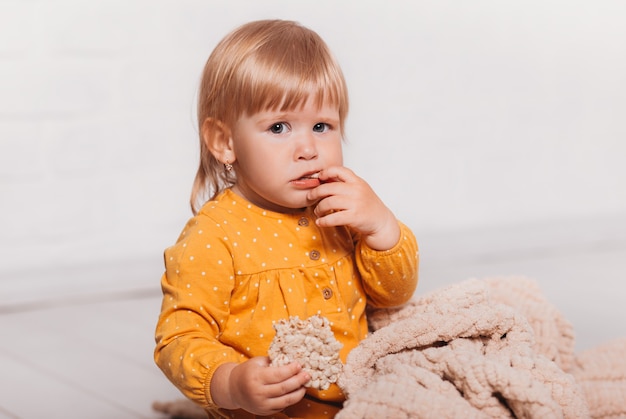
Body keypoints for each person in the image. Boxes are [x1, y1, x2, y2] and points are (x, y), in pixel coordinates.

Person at [154, 19, 419, 419]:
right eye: (279, 127)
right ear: (225, 142)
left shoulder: (341, 207)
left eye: (321, 126)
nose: (308, 148)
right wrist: (231, 383)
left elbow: (395, 297)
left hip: (360, 400)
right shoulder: (215, 234)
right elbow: (179, 336)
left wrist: (381, 227)